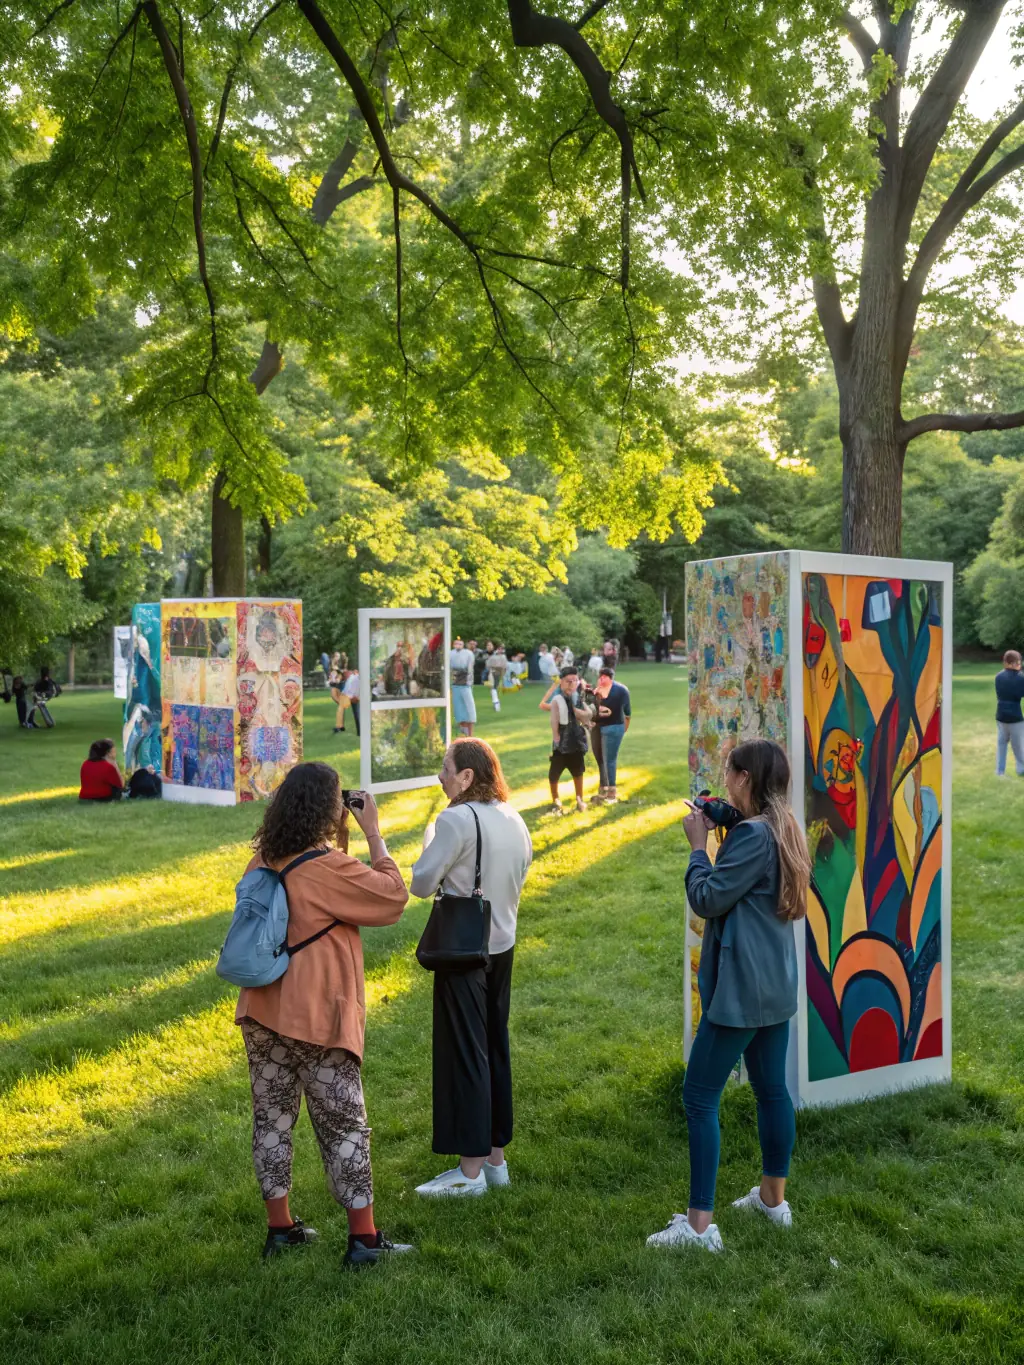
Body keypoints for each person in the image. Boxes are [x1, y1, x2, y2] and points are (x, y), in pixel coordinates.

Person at [236, 763, 413, 1268]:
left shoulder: (262, 860)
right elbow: (391, 898)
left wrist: (338, 838)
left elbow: (330, 894)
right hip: (316, 1017)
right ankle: (364, 1241)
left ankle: (281, 1228)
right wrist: (373, 832)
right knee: (344, 1126)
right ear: (327, 807)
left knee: (271, 1118)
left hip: (262, 1011)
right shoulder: (328, 869)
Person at [647, 738, 811, 1254]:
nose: (725, 779)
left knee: (699, 1098)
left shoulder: (750, 839)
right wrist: (720, 818)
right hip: (775, 982)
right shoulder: (782, 825)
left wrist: (699, 845)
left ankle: (698, 1227)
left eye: (729, 774)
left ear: (745, 778)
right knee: (771, 1092)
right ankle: (772, 1200)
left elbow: (708, 898)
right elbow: (746, 855)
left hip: (741, 987)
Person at [410, 739, 532, 1197]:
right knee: (493, 1047)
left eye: (446, 768)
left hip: (463, 950)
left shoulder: (455, 819)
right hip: (502, 945)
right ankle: (495, 1160)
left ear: (466, 777)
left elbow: (421, 883)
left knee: (465, 1055)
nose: (440, 775)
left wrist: (429, 845)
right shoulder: (513, 817)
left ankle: (469, 1171)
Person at [547, 665, 592, 815]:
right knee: (554, 773)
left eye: (574, 681)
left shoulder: (578, 698)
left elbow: (588, 714)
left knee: (578, 771)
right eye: (568, 681)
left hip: (577, 741)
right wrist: (556, 737)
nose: (571, 684)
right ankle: (556, 799)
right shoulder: (557, 699)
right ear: (561, 682)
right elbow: (554, 720)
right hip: (561, 742)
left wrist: (579, 710)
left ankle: (580, 798)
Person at [591, 667, 631, 805]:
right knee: (599, 758)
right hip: (597, 727)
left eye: (605, 676)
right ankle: (603, 788)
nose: (602, 679)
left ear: (611, 678)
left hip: (613, 727)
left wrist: (623, 728)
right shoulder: (596, 691)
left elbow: (627, 712)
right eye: (600, 676)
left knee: (610, 759)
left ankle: (612, 793)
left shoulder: (621, 690)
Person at [995, 649, 1024, 777]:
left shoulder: (998, 676)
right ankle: (1021, 768)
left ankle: (1000, 771)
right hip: (1015, 717)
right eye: (1018, 663)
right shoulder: (1020, 678)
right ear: (1013, 663)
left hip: (1001, 715)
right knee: (1018, 745)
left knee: (1002, 743)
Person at [450, 635, 477, 737]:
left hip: (465, 685)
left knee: (469, 709)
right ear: (453, 644)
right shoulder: (450, 654)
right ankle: (463, 733)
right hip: (455, 685)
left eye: (460, 643)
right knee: (459, 710)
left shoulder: (468, 654)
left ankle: (470, 734)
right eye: (456, 643)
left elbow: (470, 669)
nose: (458, 645)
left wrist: (468, 680)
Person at [328, 652, 348, 733]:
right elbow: (332, 677)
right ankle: (341, 726)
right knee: (341, 706)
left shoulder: (340, 667)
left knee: (341, 707)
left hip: (341, 687)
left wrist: (338, 679)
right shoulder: (332, 667)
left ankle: (339, 727)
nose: (336, 658)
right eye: (335, 656)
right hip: (335, 687)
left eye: (338, 656)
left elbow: (341, 675)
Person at [486, 643, 508, 713]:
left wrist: (503, 674)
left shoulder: (503, 657)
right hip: (492, 672)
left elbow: (504, 667)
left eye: (502, 649)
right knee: (493, 687)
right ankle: (496, 703)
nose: (500, 650)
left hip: (499, 673)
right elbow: (488, 665)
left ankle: (496, 701)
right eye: (499, 648)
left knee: (495, 688)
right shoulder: (492, 656)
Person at [342, 667, 361, 737]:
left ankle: (360, 732)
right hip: (353, 697)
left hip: (354, 697)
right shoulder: (350, 679)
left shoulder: (353, 677)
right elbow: (346, 691)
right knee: (357, 715)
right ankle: (360, 732)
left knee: (358, 715)